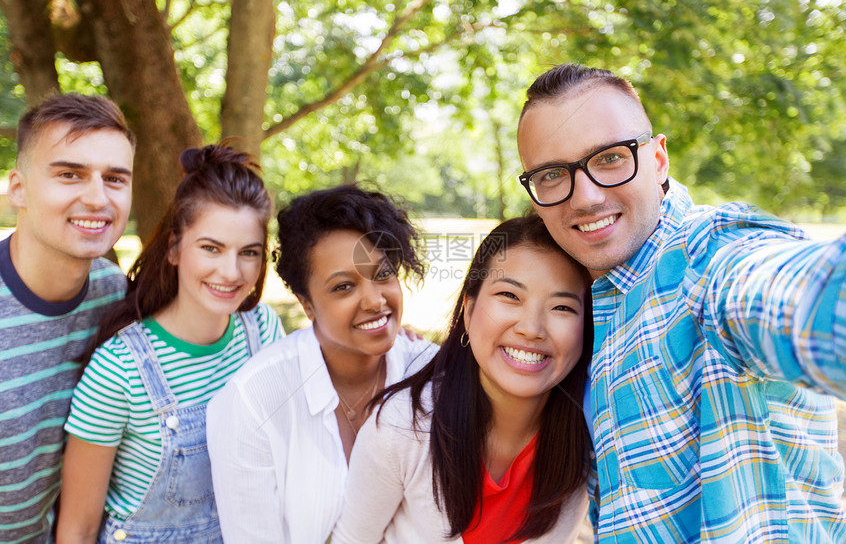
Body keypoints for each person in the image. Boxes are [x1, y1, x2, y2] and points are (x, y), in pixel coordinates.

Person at [516, 63, 846, 543]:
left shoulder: (708, 257)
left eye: (611, 158)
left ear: (658, 160)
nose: (587, 197)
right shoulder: (585, 305)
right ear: (535, 196)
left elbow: (790, 296)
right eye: (553, 174)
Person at [56, 145, 284, 543]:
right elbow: (78, 528)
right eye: (211, 248)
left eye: (249, 252)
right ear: (176, 247)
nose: (231, 272)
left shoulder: (262, 332)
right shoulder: (119, 368)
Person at [331, 214, 591, 544]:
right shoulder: (401, 429)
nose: (531, 328)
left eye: (563, 308)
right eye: (510, 296)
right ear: (469, 311)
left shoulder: (591, 436)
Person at [206, 185, 438, 543]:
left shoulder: (431, 376)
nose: (375, 301)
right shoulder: (253, 401)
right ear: (306, 304)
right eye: (344, 287)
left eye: (383, 274)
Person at [0, 94, 134, 543]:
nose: (97, 198)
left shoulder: (113, 295)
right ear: (17, 187)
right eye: (69, 174)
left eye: (115, 178)